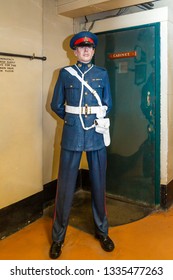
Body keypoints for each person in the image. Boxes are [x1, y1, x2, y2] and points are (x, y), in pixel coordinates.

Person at [49, 30, 114, 259]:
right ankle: (58, 238)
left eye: (90, 48)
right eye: (81, 48)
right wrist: (73, 119)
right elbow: (56, 104)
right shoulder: (65, 74)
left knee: (98, 184)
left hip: (95, 133)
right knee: (65, 189)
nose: (86, 50)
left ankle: (102, 232)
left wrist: (96, 119)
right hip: (73, 133)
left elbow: (107, 104)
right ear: (75, 51)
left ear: (93, 51)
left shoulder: (102, 73)